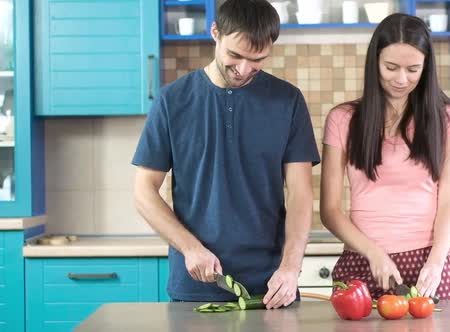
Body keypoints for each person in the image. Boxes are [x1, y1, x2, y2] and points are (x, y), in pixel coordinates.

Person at [132, 0, 319, 308]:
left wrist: (290, 267)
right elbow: (143, 191)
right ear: (215, 33)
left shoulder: (288, 101)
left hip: (271, 288)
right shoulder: (171, 101)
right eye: (235, 55)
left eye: (257, 59)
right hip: (195, 284)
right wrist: (190, 248)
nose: (244, 69)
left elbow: (301, 193)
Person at [320, 13, 450, 301]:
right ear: (375, 63)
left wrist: (436, 263)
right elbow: (330, 210)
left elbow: (449, 200)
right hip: (364, 261)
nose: (401, 79)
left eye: (413, 69)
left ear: (426, 68)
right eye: (391, 67)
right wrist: (374, 253)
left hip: (431, 265)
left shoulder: (446, 119)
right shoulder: (342, 120)